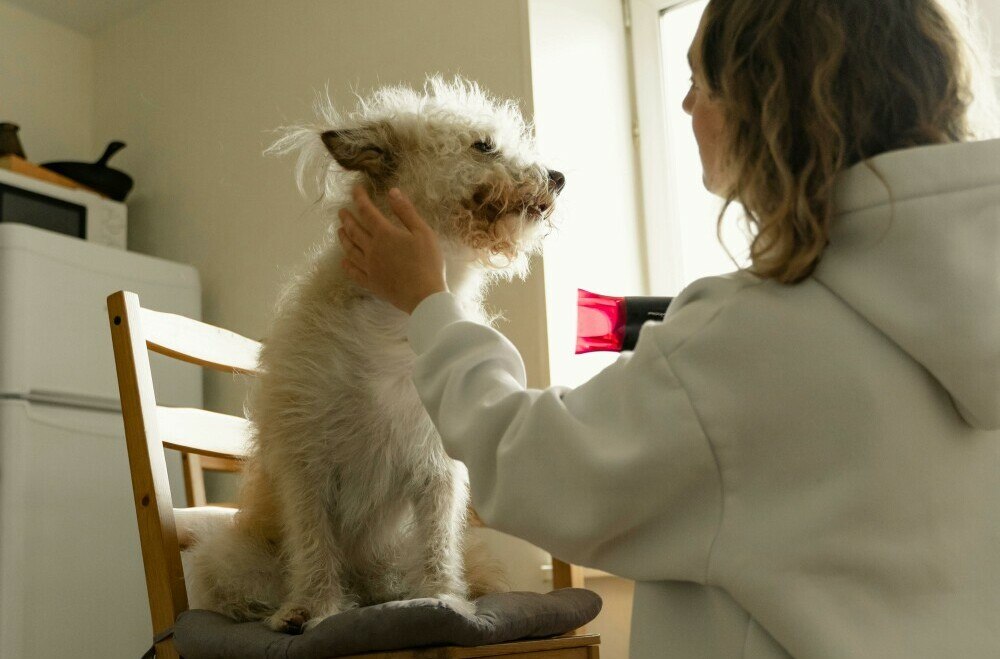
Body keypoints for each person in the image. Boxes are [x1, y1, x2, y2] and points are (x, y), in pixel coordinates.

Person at [337, 0, 1000, 656]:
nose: (685, 108)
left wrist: (429, 303)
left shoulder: (755, 339)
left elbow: (539, 468)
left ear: (767, 99)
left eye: (698, 83)